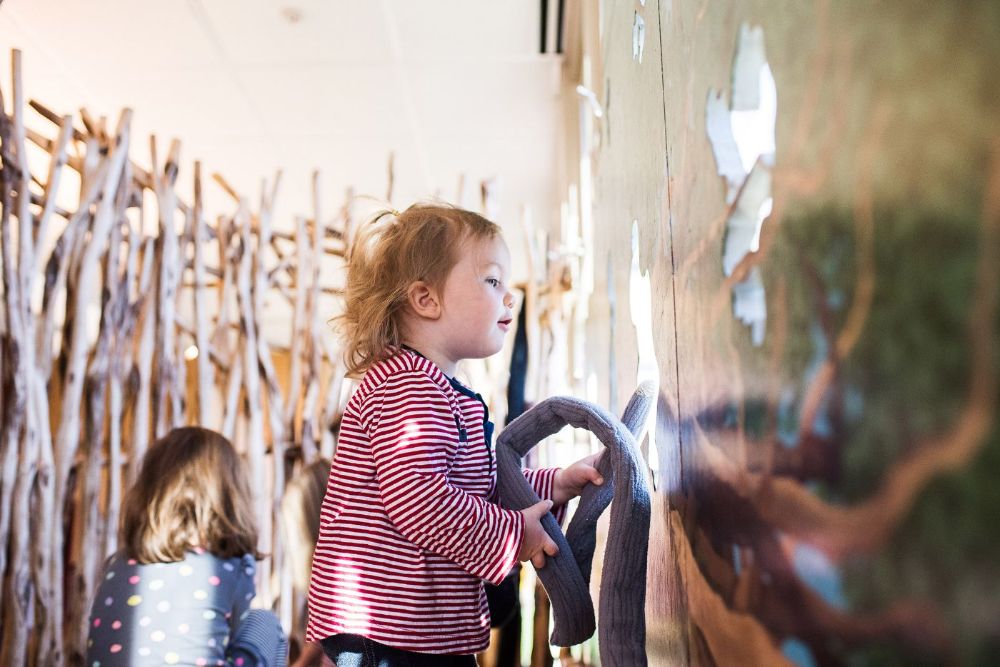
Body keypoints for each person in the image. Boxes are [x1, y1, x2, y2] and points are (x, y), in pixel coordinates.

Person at [306, 203, 603, 666]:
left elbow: (475, 486)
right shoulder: (409, 387)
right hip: (386, 632)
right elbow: (420, 500)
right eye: (492, 281)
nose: (510, 298)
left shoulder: (437, 389)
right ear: (426, 299)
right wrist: (511, 535)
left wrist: (556, 484)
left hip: (412, 631)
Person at [87, 426, 287, 666]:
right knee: (263, 622)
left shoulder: (114, 566)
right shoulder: (232, 569)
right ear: (228, 497)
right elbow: (232, 635)